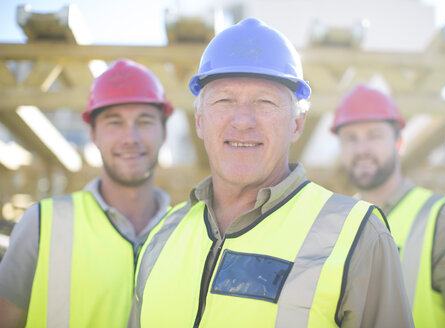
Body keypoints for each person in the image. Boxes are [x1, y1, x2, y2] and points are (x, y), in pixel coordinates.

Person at [131, 18, 414, 328]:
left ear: (296, 124)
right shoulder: (161, 238)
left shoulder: (359, 237)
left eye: (264, 102)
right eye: (224, 100)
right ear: (200, 120)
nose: (242, 121)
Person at [0, 58, 175, 327]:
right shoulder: (42, 224)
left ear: (164, 132)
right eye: (114, 122)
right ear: (93, 134)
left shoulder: (188, 230)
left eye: (145, 121)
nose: (131, 137)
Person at [332, 84, 445, 327]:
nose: (362, 149)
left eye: (374, 135)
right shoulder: (335, 223)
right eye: (351, 138)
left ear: (399, 143)